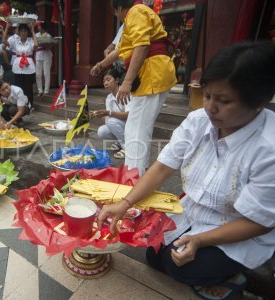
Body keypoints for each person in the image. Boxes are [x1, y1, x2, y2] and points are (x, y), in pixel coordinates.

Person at [97, 42, 275, 300]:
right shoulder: (198, 121)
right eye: (207, 96)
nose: (210, 108)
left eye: (224, 101)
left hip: (236, 228)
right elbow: (161, 168)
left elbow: (258, 223)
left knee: (183, 266)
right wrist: (124, 203)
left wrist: (201, 241)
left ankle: (233, 280)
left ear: (258, 103)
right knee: (154, 255)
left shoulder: (268, 148)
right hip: (193, 212)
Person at [91, 0, 176, 175]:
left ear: (119, 8)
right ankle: (138, 173)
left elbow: (142, 46)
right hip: (152, 74)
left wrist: (127, 82)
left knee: (135, 130)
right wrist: (100, 65)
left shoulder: (136, 12)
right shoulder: (133, 17)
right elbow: (119, 51)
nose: (117, 16)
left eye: (115, 12)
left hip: (152, 73)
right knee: (138, 128)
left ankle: (133, 178)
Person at [93, 68, 128, 159]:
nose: (105, 83)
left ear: (117, 80)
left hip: (130, 125)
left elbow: (129, 115)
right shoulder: (109, 97)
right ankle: (120, 142)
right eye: (104, 81)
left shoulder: (125, 93)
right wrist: (101, 115)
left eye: (108, 80)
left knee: (111, 121)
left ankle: (127, 147)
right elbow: (109, 117)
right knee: (101, 131)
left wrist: (108, 113)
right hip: (120, 124)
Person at [6, 22, 38, 108]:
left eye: (25, 31)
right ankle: (20, 105)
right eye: (21, 31)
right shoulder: (15, 41)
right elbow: (4, 43)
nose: (23, 33)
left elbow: (36, 45)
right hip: (18, 67)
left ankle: (30, 105)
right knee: (19, 87)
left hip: (29, 67)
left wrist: (32, 31)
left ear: (27, 32)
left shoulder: (31, 40)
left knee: (28, 88)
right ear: (19, 32)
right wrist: (6, 28)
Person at [35, 22, 53, 96]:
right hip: (38, 55)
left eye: (39, 26)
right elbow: (34, 45)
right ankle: (40, 90)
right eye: (38, 26)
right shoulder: (36, 35)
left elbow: (50, 46)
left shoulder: (48, 35)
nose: (38, 27)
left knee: (46, 73)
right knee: (38, 74)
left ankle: (46, 91)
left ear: (42, 27)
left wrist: (46, 44)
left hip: (46, 55)